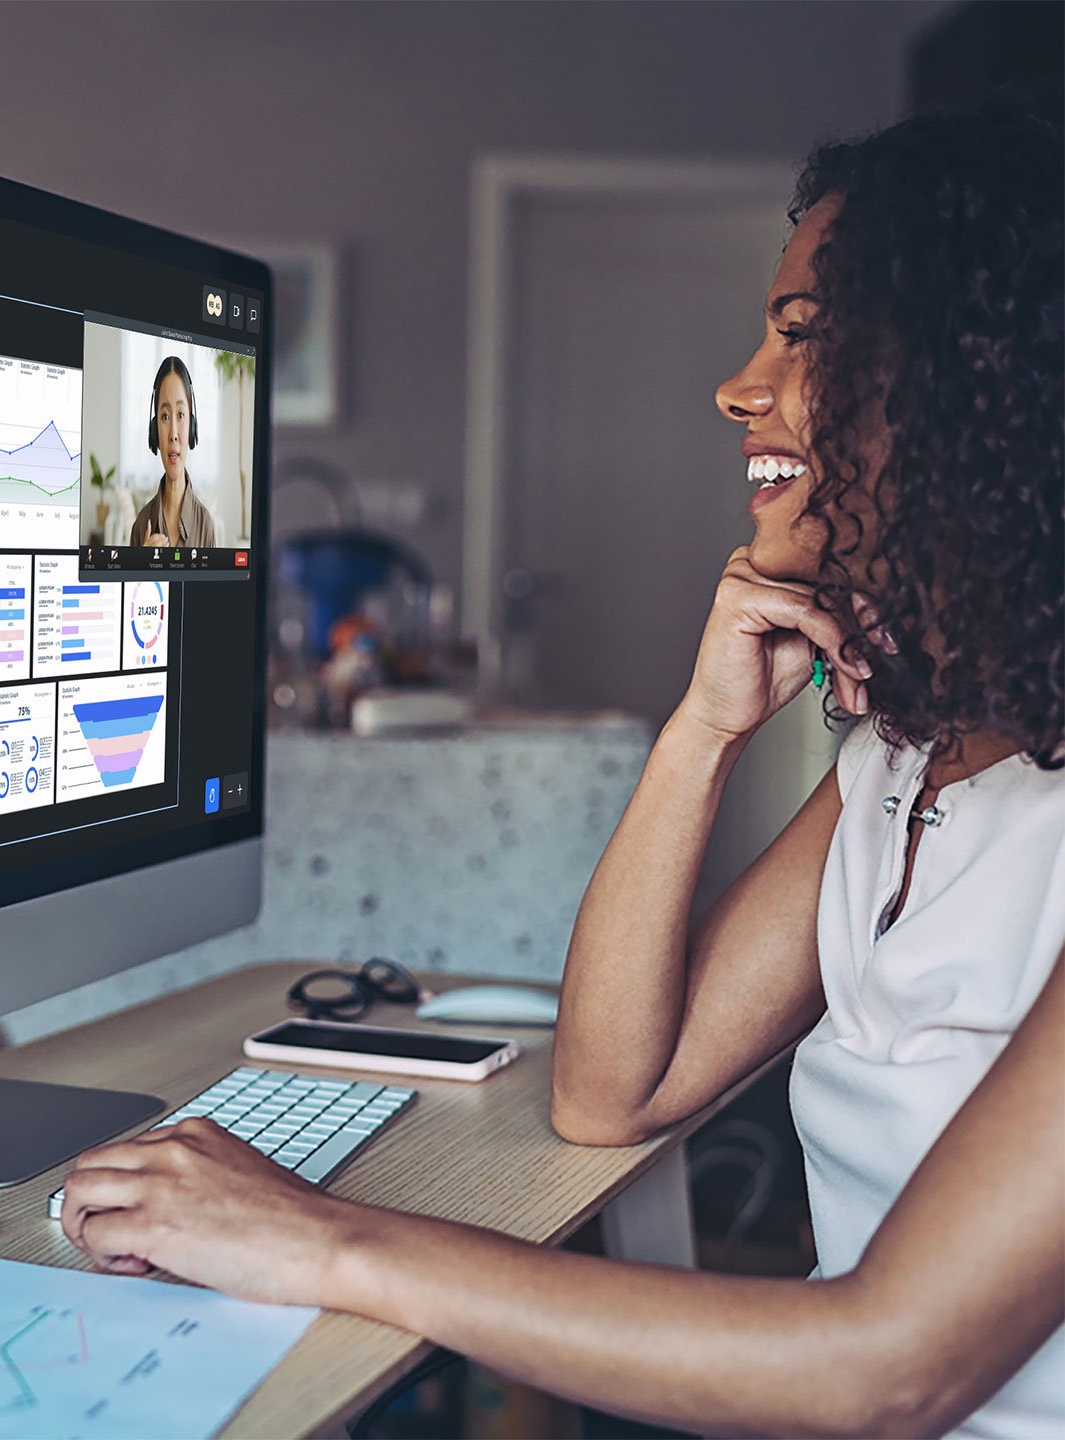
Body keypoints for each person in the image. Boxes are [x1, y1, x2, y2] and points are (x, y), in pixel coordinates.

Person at [62, 109, 1063, 1438]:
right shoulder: (910, 757)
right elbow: (612, 1093)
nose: (740, 384)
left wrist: (320, 1240)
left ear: (970, 386)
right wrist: (702, 732)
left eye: (807, 334)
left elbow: (885, 1370)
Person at [130, 356, 217, 549]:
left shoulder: (206, 526)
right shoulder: (141, 525)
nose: (173, 434)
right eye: (165, 416)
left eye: (180, 415)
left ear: (192, 428)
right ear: (154, 432)